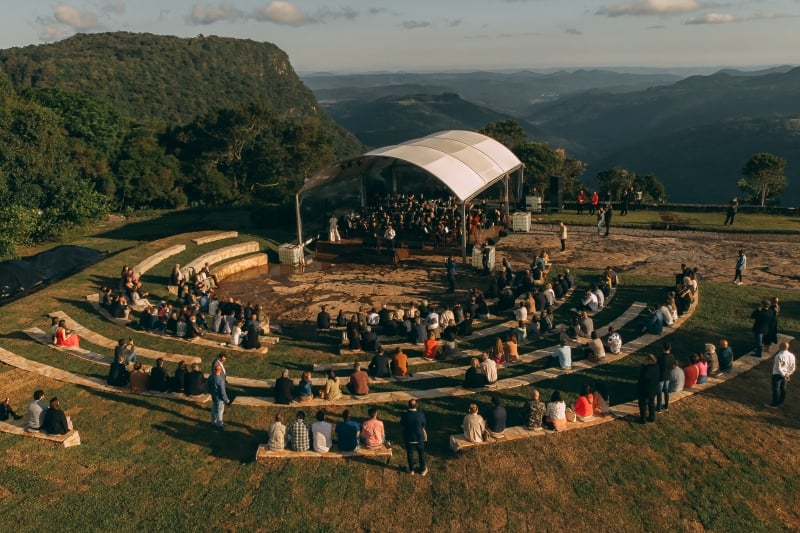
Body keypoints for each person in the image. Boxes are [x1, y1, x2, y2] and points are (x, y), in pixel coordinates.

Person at [400, 399, 427, 476]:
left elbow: (402, 423)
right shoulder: (421, 414)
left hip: (408, 438)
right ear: (416, 405)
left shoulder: (404, 415)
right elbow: (423, 424)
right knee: (421, 454)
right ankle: (422, 469)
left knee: (410, 453)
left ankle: (411, 469)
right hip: (419, 438)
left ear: (408, 405)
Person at [766, 341, 796, 409]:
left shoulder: (778, 355)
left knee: (776, 389)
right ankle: (781, 402)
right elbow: (793, 367)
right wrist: (788, 374)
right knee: (783, 389)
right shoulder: (792, 355)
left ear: (781, 347)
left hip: (777, 374)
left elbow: (778, 367)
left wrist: (783, 374)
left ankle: (774, 404)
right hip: (786, 374)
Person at [637, 354, 659, 424]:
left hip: (645, 389)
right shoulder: (656, 366)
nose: (644, 361)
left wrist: (643, 366)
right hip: (654, 388)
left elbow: (643, 377)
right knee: (651, 403)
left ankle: (643, 419)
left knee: (643, 404)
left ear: (650, 360)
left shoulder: (647, 369)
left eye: (645, 359)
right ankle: (652, 417)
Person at [207, 364, 230, 429]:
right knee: (220, 411)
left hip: (213, 396)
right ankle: (219, 424)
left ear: (214, 370)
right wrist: (226, 399)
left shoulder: (211, 377)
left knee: (214, 409)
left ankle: (213, 422)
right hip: (219, 398)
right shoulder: (220, 380)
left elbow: (208, 385)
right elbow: (223, 391)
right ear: (220, 371)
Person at [656, 342, 675, 412]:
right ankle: (666, 405)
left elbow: (657, 366)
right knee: (666, 390)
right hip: (668, 375)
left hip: (661, 376)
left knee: (659, 391)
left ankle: (658, 407)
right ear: (670, 348)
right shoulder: (672, 356)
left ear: (663, 348)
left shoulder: (661, 357)